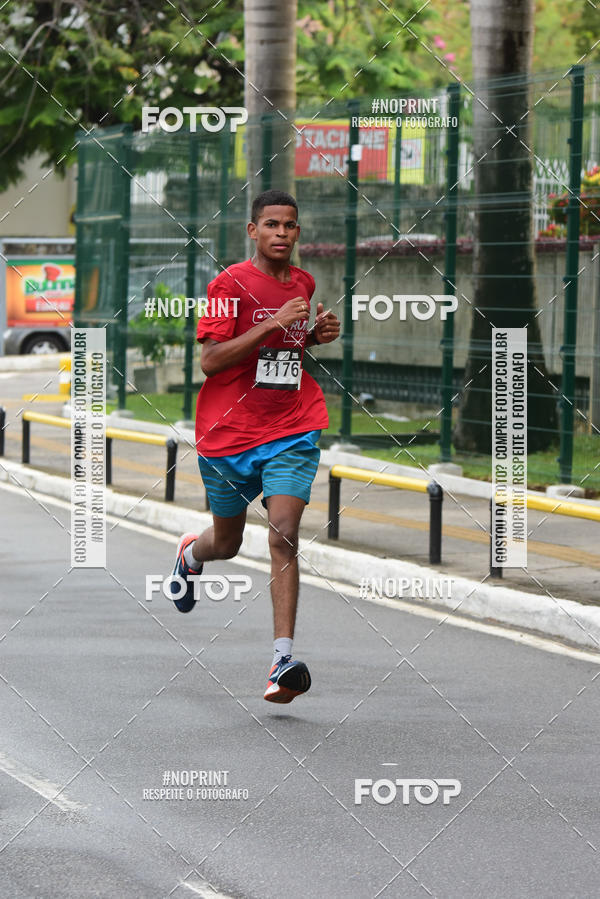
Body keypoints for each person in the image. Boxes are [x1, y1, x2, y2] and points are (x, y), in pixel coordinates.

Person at [169, 189, 340, 703]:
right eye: (271, 224)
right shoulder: (228, 284)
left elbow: (284, 351)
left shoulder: (304, 283)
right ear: (253, 231)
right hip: (228, 434)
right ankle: (191, 553)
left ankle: (281, 660)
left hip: (291, 426)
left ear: (298, 231)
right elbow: (211, 360)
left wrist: (314, 337)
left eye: (289, 225)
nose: (281, 233)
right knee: (227, 543)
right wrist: (273, 322)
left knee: (284, 533)